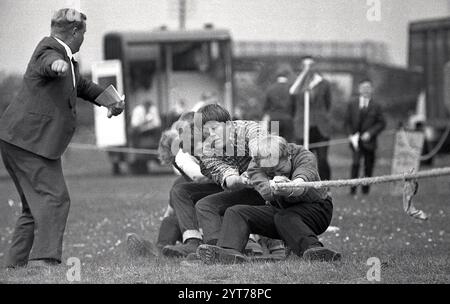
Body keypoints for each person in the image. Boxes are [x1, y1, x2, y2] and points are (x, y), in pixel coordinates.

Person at [0, 8, 124, 269]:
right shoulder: (49, 50)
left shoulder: (67, 61)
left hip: (21, 139)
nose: (84, 40)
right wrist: (55, 66)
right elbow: (47, 62)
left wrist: (111, 102)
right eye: (84, 34)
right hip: (30, 142)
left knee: (32, 206)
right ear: (75, 32)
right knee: (55, 198)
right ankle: (44, 260)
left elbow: (83, 86)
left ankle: (15, 264)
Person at [196, 135, 341, 265]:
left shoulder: (304, 156)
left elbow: (301, 183)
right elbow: (266, 193)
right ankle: (228, 252)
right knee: (236, 211)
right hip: (281, 211)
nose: (276, 174)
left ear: (288, 156)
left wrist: (288, 187)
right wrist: (274, 188)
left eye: (280, 169)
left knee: (284, 217)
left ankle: (315, 250)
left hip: (317, 209)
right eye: (271, 173)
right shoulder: (255, 165)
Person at [292, 56, 332, 181]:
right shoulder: (298, 84)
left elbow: (328, 103)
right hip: (302, 127)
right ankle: (304, 183)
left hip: (320, 128)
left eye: (311, 65)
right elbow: (293, 95)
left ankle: (325, 185)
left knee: (322, 159)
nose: (308, 68)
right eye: (305, 65)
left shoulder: (324, 84)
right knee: (303, 159)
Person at [345, 79, 386, 195]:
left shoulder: (376, 105)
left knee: (368, 166)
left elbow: (382, 123)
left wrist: (370, 133)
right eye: (363, 87)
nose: (365, 90)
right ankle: (352, 190)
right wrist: (350, 135)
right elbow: (347, 122)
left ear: (371, 89)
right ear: (359, 89)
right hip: (355, 142)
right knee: (356, 164)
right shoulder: (352, 104)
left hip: (370, 142)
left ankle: (365, 191)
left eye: (368, 87)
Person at [262, 63, 296, 142]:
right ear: (286, 77)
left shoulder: (270, 89)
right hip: (288, 119)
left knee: (274, 146)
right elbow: (295, 105)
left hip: (274, 119)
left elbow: (266, 107)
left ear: (277, 77)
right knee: (287, 144)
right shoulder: (291, 88)